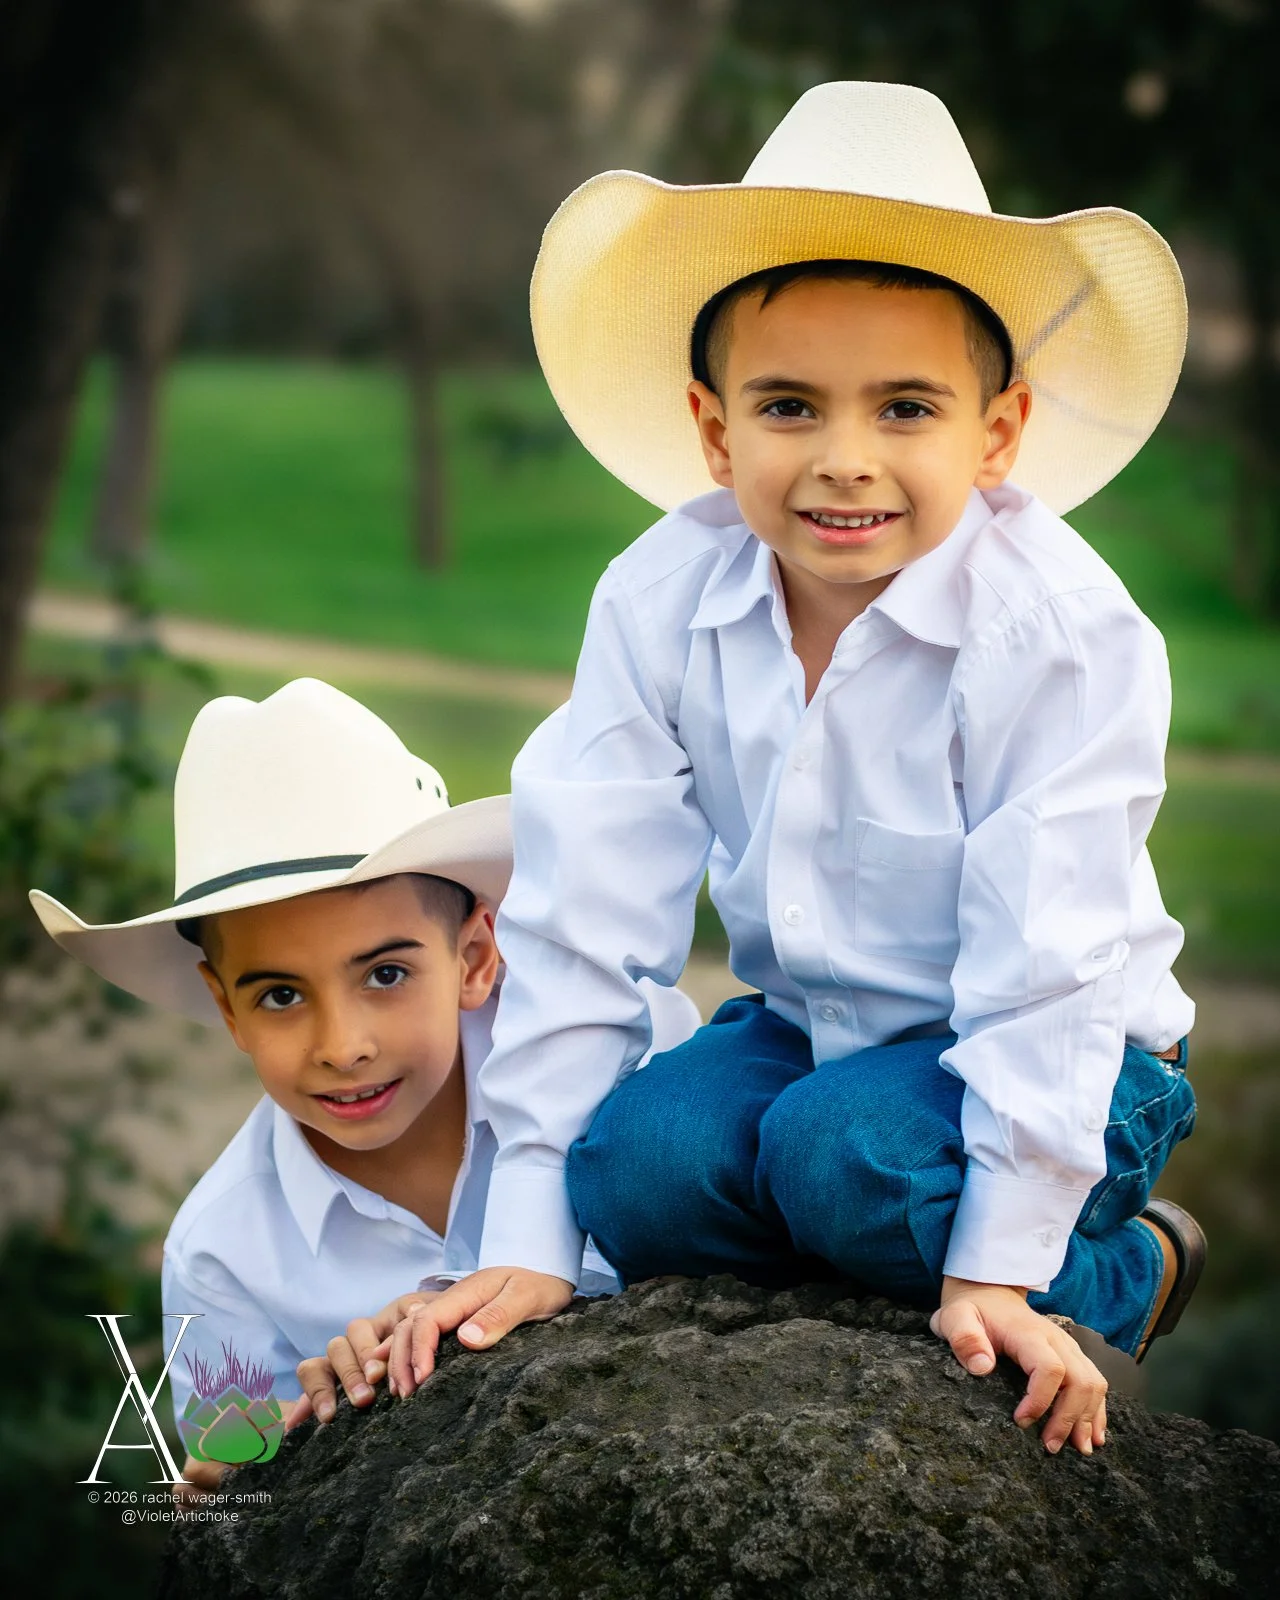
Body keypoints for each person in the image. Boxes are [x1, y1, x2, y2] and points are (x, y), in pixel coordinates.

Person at [374, 81, 1205, 1459]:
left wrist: (993, 1262)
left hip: (1068, 1049)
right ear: (714, 429)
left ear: (998, 434)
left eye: (904, 409)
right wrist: (528, 1239)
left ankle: (1124, 1266)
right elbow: (584, 910)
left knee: (844, 1161)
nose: (843, 460)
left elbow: (1048, 952)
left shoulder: (1056, 630)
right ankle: (852, 1219)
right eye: (789, 406)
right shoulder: (661, 598)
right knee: (632, 1174)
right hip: (815, 1029)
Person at [29, 678, 698, 1490]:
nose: (342, 1047)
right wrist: (290, 1459)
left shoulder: (625, 1051)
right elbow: (227, 1501)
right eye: (280, 995)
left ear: (476, 958)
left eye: (385, 973)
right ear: (226, 1009)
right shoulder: (222, 1259)